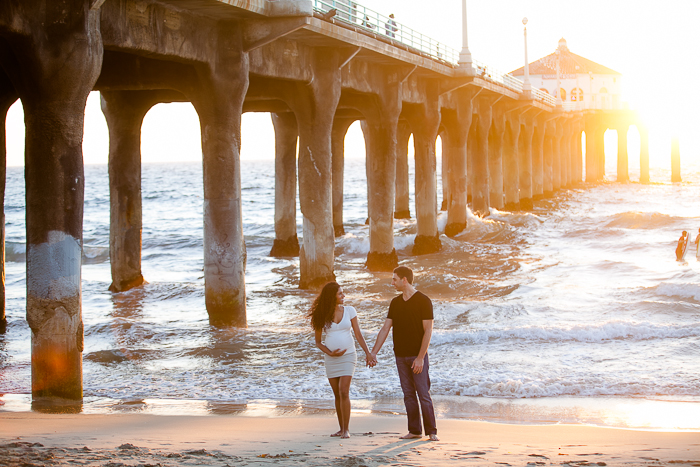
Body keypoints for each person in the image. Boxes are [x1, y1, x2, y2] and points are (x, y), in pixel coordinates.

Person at [369, 266, 439, 441]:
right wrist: (373, 353)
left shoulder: (424, 301)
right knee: (408, 395)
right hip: (400, 356)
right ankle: (414, 431)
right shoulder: (395, 303)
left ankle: (432, 432)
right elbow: (385, 329)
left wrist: (421, 358)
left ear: (404, 280)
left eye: (394, 279)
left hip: (417, 357)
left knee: (423, 394)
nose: (392, 282)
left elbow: (428, 331)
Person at [310, 282, 373, 439]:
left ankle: (346, 430)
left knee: (344, 391)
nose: (343, 296)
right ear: (332, 296)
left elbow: (358, 335)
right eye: (340, 293)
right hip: (331, 359)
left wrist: (368, 353)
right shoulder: (321, 314)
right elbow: (318, 342)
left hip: (349, 356)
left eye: (343, 293)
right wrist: (330, 353)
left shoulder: (350, 311)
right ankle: (340, 428)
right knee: (337, 394)